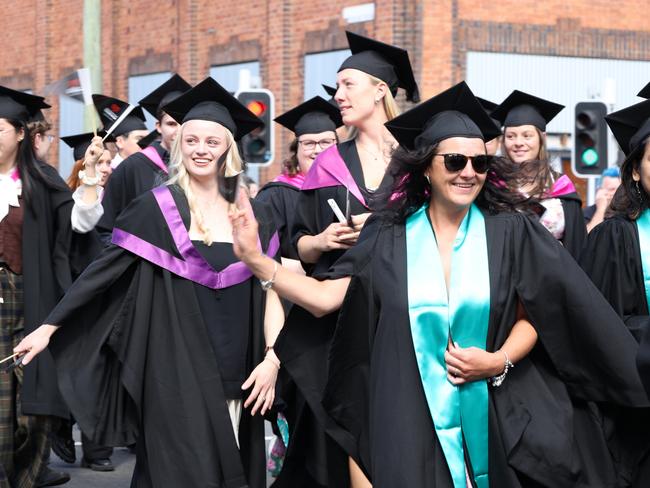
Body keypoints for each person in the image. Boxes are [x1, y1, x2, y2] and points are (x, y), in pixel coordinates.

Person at [229, 81, 650, 488]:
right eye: (454, 161)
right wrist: (254, 258)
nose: (468, 172)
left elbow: (541, 315)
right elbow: (323, 300)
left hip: (495, 418)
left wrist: (498, 359)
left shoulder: (512, 233)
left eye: (479, 163)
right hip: (411, 418)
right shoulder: (388, 238)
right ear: (426, 168)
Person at [14, 77, 284, 488]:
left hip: (242, 365)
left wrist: (272, 358)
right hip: (174, 366)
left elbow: (273, 292)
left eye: (212, 142)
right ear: (178, 145)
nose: (200, 150)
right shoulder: (154, 210)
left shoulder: (256, 214)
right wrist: (50, 326)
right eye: (191, 140)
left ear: (229, 147)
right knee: (181, 472)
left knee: (234, 468)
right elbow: (102, 273)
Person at [274, 31, 419, 488]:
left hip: (404, 313)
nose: (338, 95)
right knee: (338, 434)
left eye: (347, 85)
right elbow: (296, 245)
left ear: (380, 90)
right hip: (339, 319)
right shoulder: (327, 164)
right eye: (337, 87)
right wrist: (322, 240)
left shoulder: (417, 160)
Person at [0, 86, 72, 487]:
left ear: (21, 132)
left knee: (32, 405)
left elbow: (74, 231)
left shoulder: (41, 181)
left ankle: (28, 473)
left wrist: (92, 186)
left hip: (30, 296)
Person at [95, 75, 191, 244]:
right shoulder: (133, 167)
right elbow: (106, 229)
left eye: (184, 123)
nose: (179, 130)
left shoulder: (203, 168)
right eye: (171, 124)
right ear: (158, 127)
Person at [492, 90, 587, 259]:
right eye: (511, 136)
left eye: (527, 135)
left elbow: (578, 246)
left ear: (541, 138)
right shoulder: (494, 186)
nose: (518, 143)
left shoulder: (562, 186)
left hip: (554, 279)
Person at [256, 96, 343, 266]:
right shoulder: (275, 195)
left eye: (326, 142)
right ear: (296, 150)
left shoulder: (350, 190)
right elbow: (258, 254)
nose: (318, 150)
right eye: (309, 143)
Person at [92, 94, 149, 169]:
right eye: (139, 138)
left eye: (148, 139)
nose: (146, 144)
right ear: (120, 142)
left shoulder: (151, 171)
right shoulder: (108, 174)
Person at [583, 166, 621, 232]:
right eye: (611, 189)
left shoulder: (627, 212)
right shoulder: (587, 213)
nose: (616, 193)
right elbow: (586, 237)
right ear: (599, 190)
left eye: (619, 189)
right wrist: (601, 209)